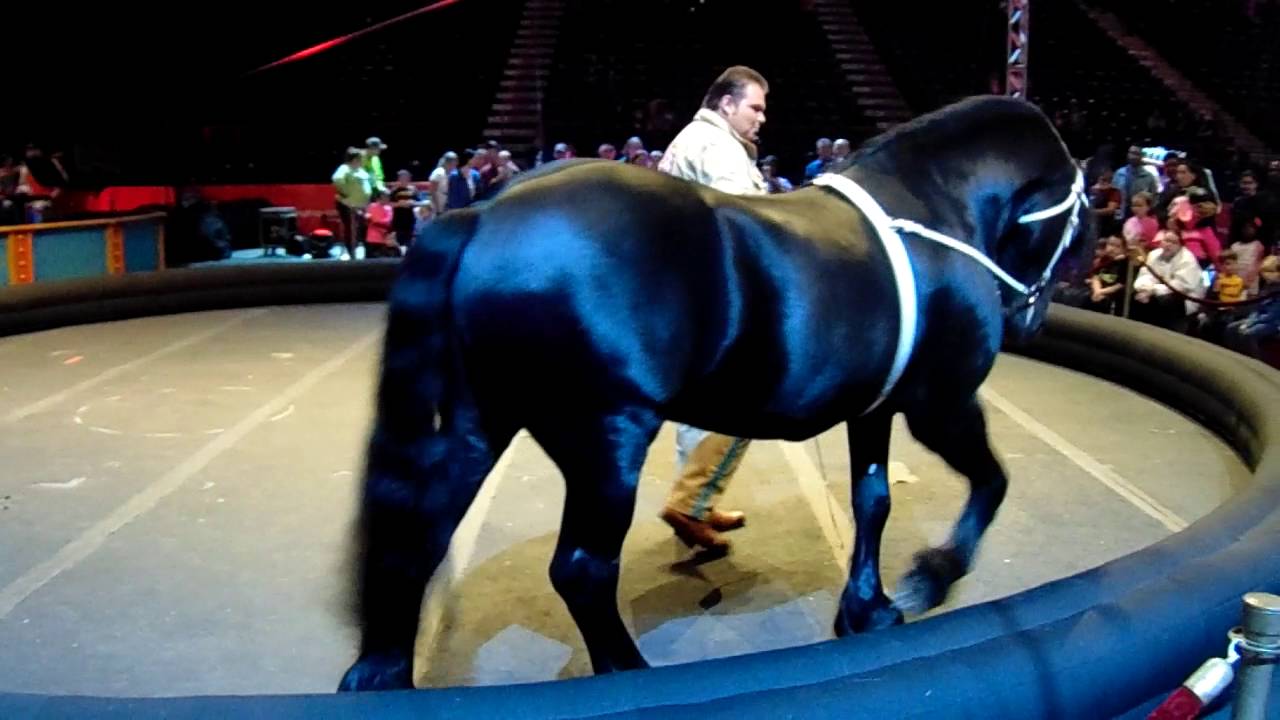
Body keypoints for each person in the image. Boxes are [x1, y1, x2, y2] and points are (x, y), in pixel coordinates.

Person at [656, 65, 769, 553]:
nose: (762, 118)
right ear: (727, 104)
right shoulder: (718, 148)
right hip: (712, 300)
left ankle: (696, 504)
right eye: (756, 107)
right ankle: (689, 503)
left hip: (685, 294)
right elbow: (746, 223)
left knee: (698, 412)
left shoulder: (695, 138)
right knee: (745, 400)